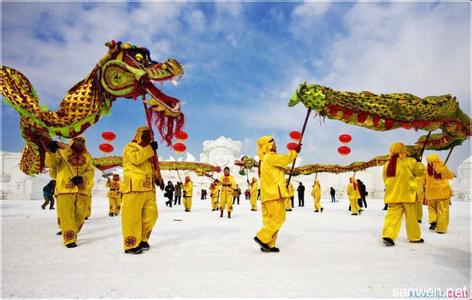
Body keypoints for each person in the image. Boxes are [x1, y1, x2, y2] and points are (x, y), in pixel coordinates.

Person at [45, 136, 94, 248]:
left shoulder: (87, 156)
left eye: (82, 141)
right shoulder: (62, 152)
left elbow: (90, 171)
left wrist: (83, 178)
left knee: (81, 215)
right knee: (66, 215)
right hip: (64, 189)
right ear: (72, 142)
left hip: (82, 190)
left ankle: (71, 230)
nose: (80, 143)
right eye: (78, 141)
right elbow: (51, 164)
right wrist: (51, 152)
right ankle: (69, 239)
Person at [253, 136, 300, 253]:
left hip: (267, 195)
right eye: (273, 144)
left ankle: (269, 244)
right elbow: (285, 159)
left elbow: (281, 165)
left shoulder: (264, 160)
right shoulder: (270, 157)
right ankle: (262, 237)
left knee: (269, 221)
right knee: (279, 218)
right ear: (267, 146)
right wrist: (294, 152)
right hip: (274, 194)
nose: (275, 146)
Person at [120, 126, 158, 254]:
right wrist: (150, 148)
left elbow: (152, 166)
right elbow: (136, 159)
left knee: (152, 215)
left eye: (151, 135)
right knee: (132, 218)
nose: (149, 137)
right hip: (133, 187)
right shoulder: (131, 147)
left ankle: (142, 239)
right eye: (146, 134)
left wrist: (158, 177)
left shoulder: (150, 151)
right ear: (139, 135)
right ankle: (131, 244)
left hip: (148, 188)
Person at [381, 142, 425, 246]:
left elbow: (385, 180)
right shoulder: (410, 161)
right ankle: (414, 237)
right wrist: (418, 162)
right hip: (408, 195)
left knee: (392, 216)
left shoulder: (387, 164)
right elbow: (420, 172)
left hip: (393, 195)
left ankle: (388, 235)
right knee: (411, 218)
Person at [425, 154, 454, 234]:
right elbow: (450, 176)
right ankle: (441, 229)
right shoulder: (443, 168)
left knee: (431, 209)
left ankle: (433, 221)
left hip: (431, 194)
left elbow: (422, 182)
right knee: (442, 211)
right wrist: (449, 172)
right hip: (443, 193)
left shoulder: (426, 171)